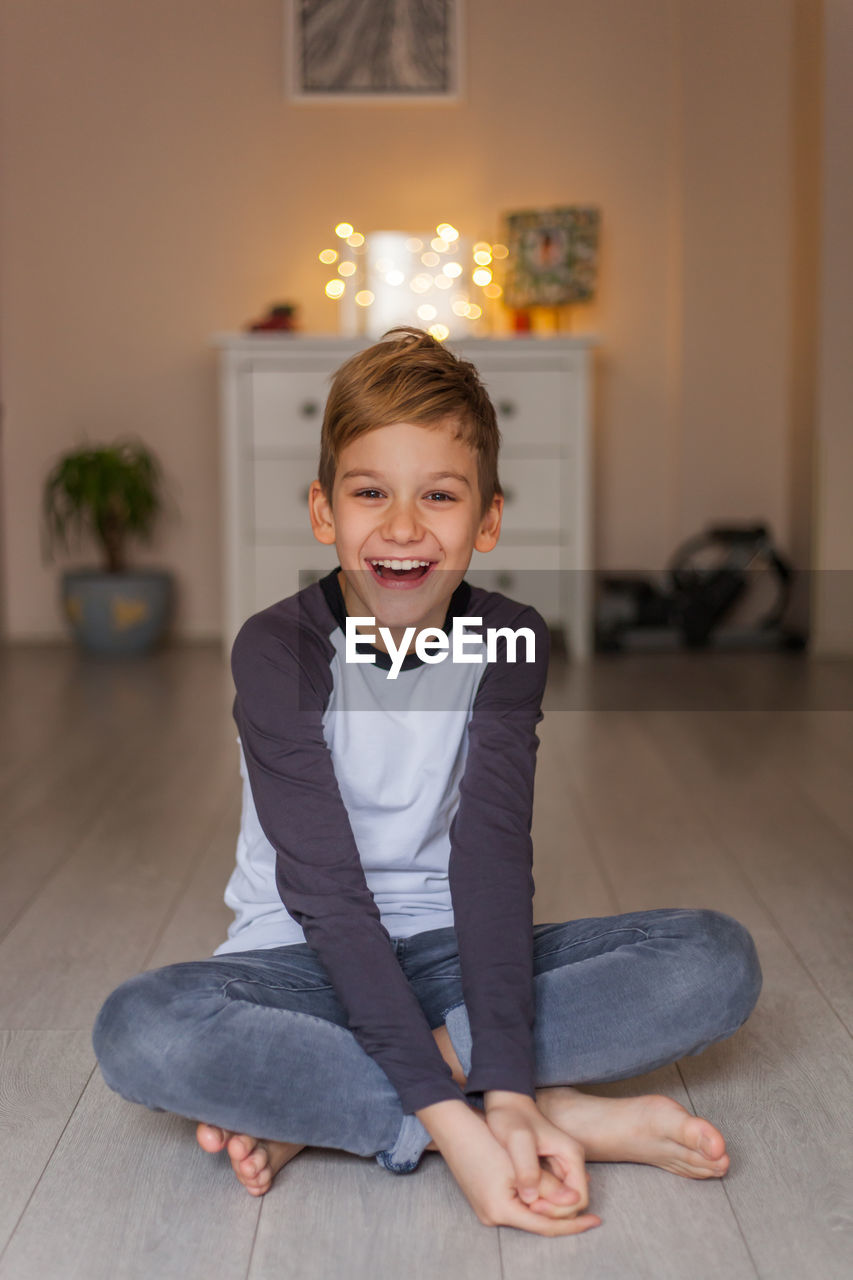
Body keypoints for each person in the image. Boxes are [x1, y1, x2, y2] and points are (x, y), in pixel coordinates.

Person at [92, 328, 762, 1237]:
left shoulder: (510, 642)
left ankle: (329, 1106)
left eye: (438, 497)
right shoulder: (276, 646)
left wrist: (499, 1073)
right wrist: (481, 1119)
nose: (403, 527)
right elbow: (323, 892)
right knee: (142, 1028)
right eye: (371, 493)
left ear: (485, 520)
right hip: (301, 959)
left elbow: (488, 860)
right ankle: (523, 1116)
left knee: (712, 957)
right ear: (324, 511)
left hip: (456, 953)